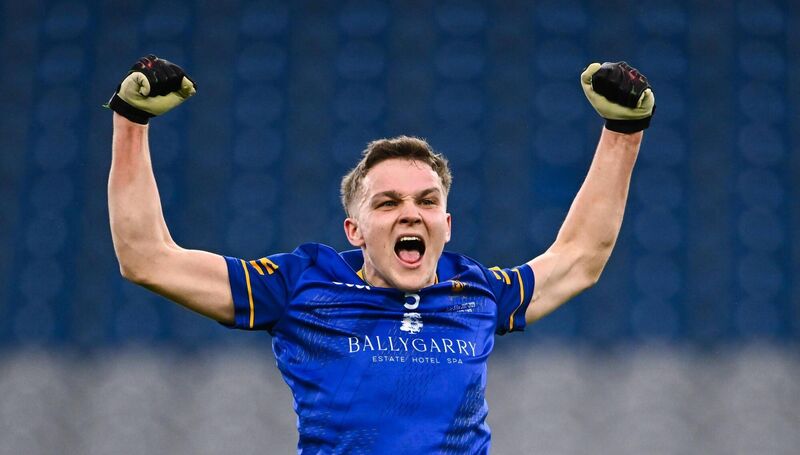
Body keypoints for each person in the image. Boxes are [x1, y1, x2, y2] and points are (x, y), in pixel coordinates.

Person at [107, 55, 654, 453]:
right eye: (387, 203)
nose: (410, 214)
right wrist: (132, 122)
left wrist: (623, 131)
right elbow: (147, 258)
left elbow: (580, 256)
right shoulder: (299, 283)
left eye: (426, 201)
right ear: (355, 230)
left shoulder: (478, 291)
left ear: (446, 224)